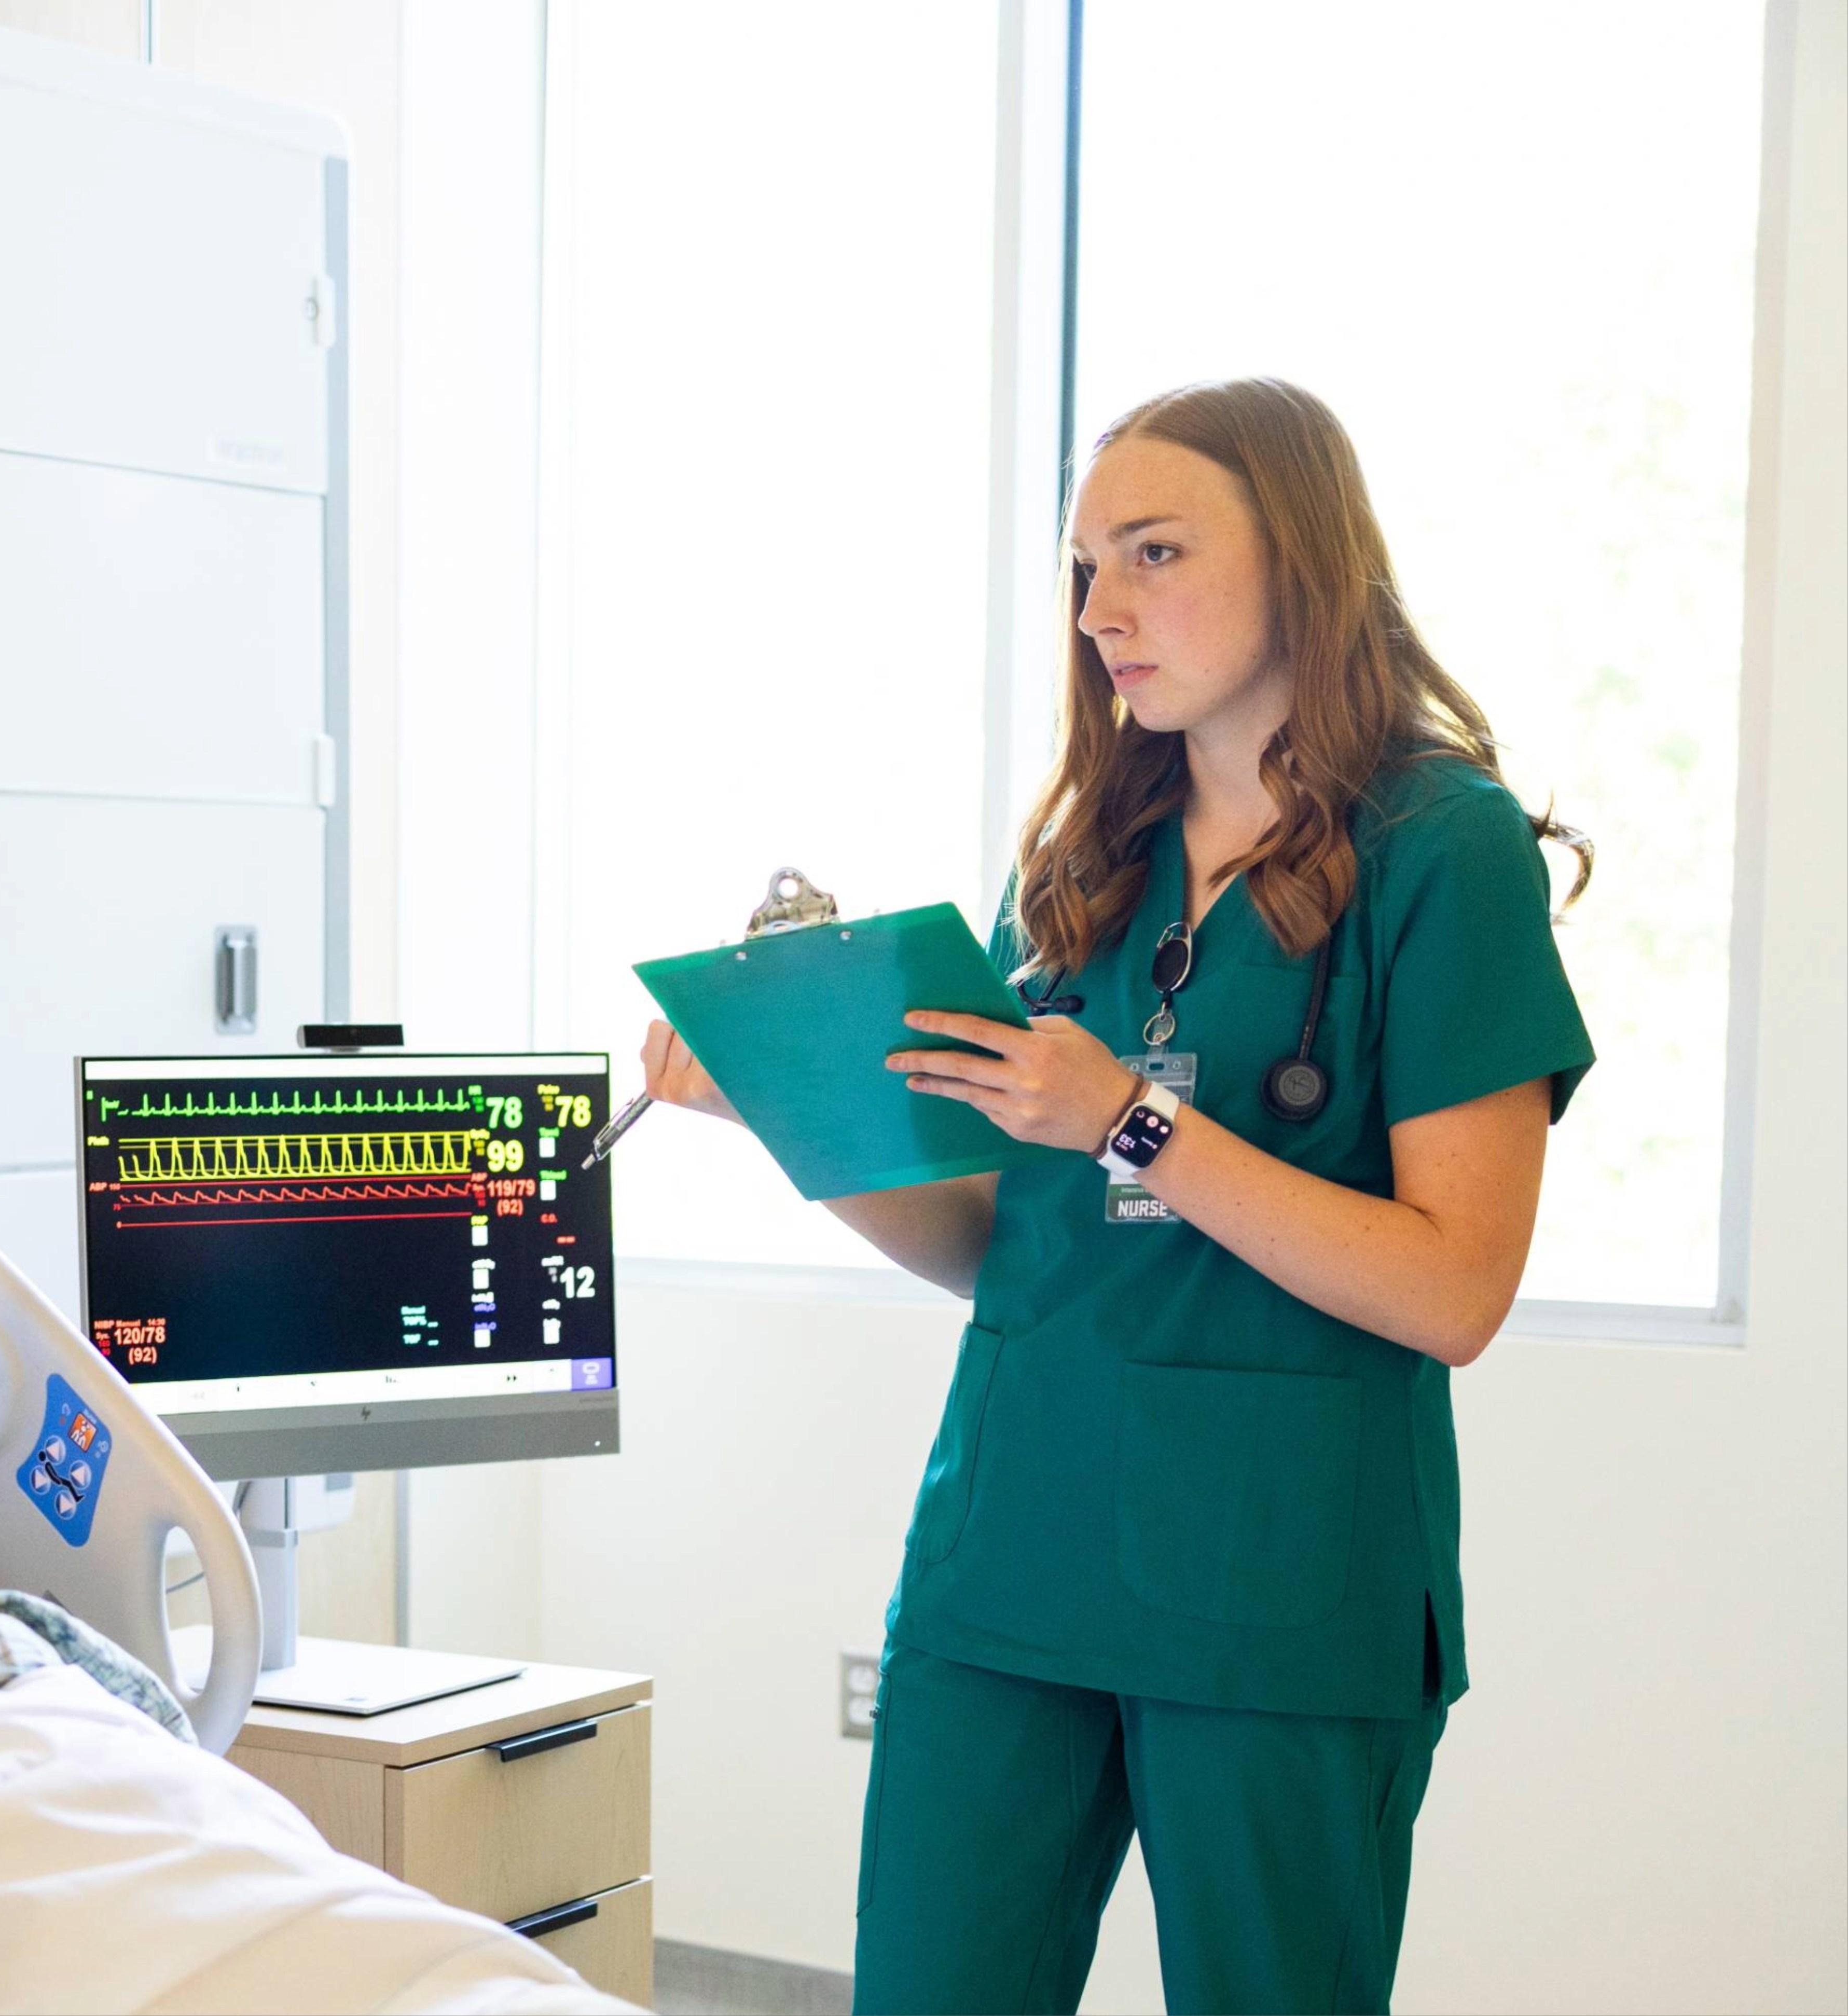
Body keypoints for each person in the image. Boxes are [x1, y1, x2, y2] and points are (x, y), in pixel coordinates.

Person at [640, 377, 1595, 2016]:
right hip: (1009, 1554)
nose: (1101, 612)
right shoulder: (1091, 850)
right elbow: (1005, 1250)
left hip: (1281, 1590)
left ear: (1301, 558)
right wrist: (786, 1109)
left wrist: (1132, 1121)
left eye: (1152, 553)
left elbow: (1452, 1292)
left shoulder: (1444, 848)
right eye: (1084, 568)